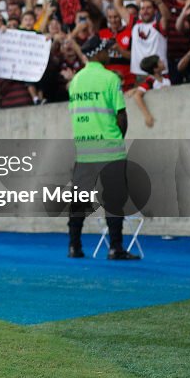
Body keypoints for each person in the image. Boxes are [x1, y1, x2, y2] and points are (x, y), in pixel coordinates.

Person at [65, 36, 140, 260]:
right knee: (114, 200)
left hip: (85, 147)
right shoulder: (110, 78)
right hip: (109, 147)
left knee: (79, 199)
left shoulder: (76, 81)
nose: (109, 53)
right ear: (98, 53)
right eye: (106, 50)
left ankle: (74, 246)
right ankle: (115, 247)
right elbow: (121, 115)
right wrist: (118, 139)